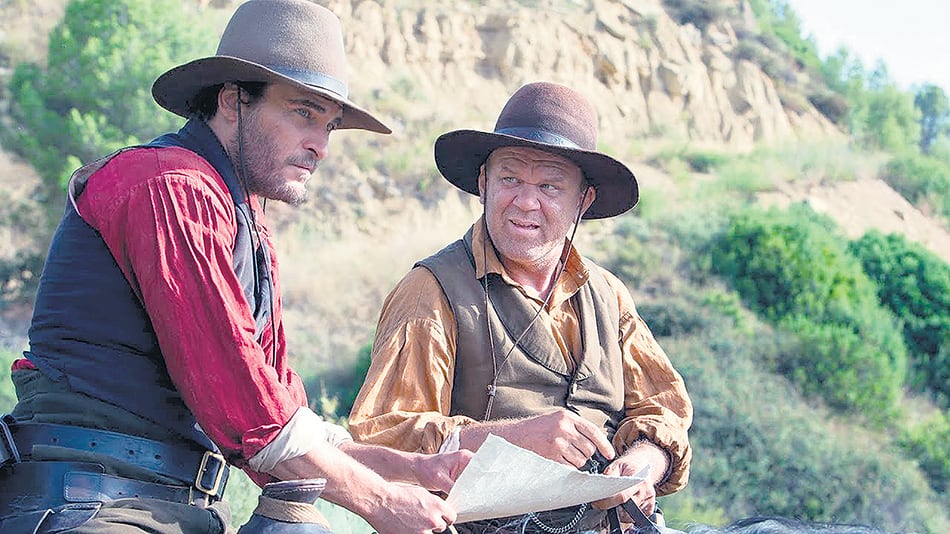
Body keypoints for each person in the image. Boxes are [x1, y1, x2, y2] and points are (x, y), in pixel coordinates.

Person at [0, 1, 469, 533]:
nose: (320, 146)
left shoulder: (242, 218)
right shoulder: (170, 188)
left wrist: (410, 470)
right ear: (232, 101)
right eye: (304, 114)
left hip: (174, 506)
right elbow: (251, 413)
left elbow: (281, 412)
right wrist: (380, 502)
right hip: (91, 503)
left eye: (331, 126)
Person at [349, 81, 693, 533]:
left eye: (549, 185)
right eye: (510, 179)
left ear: (583, 201)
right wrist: (512, 439)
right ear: (483, 184)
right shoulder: (431, 291)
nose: (526, 202)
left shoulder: (608, 295)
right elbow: (381, 439)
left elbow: (664, 409)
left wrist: (643, 464)